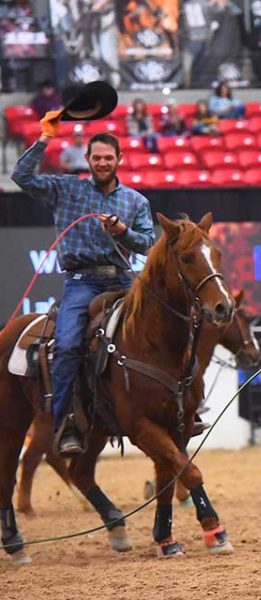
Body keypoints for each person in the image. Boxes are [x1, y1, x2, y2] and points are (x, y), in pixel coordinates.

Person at [11, 114, 154, 456]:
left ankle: (177, 407)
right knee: (69, 344)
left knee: (164, 328)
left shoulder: (135, 201)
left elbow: (148, 242)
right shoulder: (66, 188)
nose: (103, 163)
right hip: (82, 282)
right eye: (97, 157)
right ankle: (66, 424)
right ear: (87, 160)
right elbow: (21, 176)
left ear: (119, 160)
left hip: (123, 280)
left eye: (108, 157)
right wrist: (45, 137)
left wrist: (124, 232)